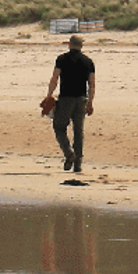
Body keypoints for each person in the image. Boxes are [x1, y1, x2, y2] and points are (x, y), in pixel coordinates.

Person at [42, 34, 96, 173]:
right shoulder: (88, 62)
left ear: (69, 44)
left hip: (66, 99)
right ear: (81, 46)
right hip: (82, 99)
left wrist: (49, 95)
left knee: (59, 127)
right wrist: (90, 102)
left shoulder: (62, 59)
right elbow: (92, 84)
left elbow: (55, 78)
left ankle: (69, 153)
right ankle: (78, 163)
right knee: (78, 131)